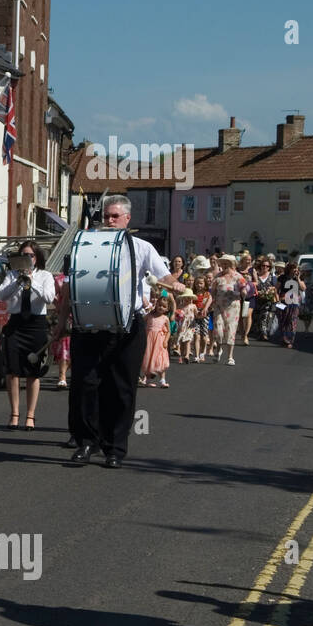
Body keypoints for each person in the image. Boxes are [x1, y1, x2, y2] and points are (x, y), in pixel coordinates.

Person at [68, 195, 180, 469]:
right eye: (106, 216)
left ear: (128, 219)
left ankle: (114, 448)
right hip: (89, 324)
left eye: (114, 216)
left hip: (128, 325)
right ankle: (85, 442)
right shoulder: (86, 243)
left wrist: (174, 283)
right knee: (85, 385)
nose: (109, 221)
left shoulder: (141, 248)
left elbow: (163, 276)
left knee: (121, 388)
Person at [0, 241, 56, 430]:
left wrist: (32, 281)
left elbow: (48, 297)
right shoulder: (11, 275)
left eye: (30, 255)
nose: (27, 259)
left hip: (35, 325)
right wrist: (18, 281)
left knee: (32, 373)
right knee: (12, 371)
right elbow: (1, 296)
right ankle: (14, 413)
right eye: (23, 255)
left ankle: (30, 415)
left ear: (36, 257)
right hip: (16, 323)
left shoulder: (45, 276)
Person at [208, 254, 245, 366]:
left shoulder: (238, 277)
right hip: (219, 307)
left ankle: (230, 357)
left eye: (226, 263)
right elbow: (212, 292)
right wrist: (210, 303)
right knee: (218, 330)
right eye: (222, 263)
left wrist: (241, 292)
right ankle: (219, 349)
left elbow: (244, 290)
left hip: (233, 307)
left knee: (231, 330)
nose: (224, 265)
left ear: (231, 264)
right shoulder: (218, 277)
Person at [139, 285, 172, 387]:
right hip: (149, 340)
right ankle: (147, 380)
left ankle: (162, 380)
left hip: (159, 340)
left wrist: (166, 341)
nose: (161, 307)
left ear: (167, 309)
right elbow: (142, 322)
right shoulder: (150, 316)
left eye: (164, 306)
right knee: (148, 358)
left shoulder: (165, 318)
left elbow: (169, 331)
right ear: (156, 305)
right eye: (159, 305)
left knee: (160, 359)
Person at [278, 261, 306, 349]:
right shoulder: (282, 277)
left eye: (297, 269)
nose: (295, 270)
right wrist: (277, 300)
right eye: (294, 268)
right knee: (283, 320)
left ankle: (290, 340)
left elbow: (303, 288)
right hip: (282, 301)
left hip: (294, 302)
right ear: (289, 269)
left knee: (292, 321)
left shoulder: (298, 278)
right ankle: (284, 338)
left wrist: (298, 279)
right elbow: (276, 289)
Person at [253, 258, 279, 341]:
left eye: (267, 266)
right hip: (257, 299)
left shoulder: (272, 276)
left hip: (268, 300)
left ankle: (264, 334)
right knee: (257, 317)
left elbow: (275, 288)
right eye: (263, 265)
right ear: (260, 266)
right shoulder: (256, 275)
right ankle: (260, 333)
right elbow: (252, 286)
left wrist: (272, 294)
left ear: (269, 267)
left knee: (265, 315)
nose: (265, 267)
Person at [191, 275, 211, 362]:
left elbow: (209, 301)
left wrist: (205, 308)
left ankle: (202, 353)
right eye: (197, 283)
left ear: (205, 284)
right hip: (195, 316)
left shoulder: (207, 294)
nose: (199, 285)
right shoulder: (193, 294)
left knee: (204, 337)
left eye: (201, 283)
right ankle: (196, 356)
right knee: (196, 336)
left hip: (204, 316)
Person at [175, 290, 197, 364]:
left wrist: (200, 314)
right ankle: (181, 355)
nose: (188, 299)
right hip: (182, 325)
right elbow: (177, 315)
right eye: (186, 298)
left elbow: (196, 314)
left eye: (190, 298)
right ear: (183, 298)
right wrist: (178, 315)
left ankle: (187, 355)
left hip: (190, 325)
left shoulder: (193, 306)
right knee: (182, 341)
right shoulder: (181, 306)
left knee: (188, 340)